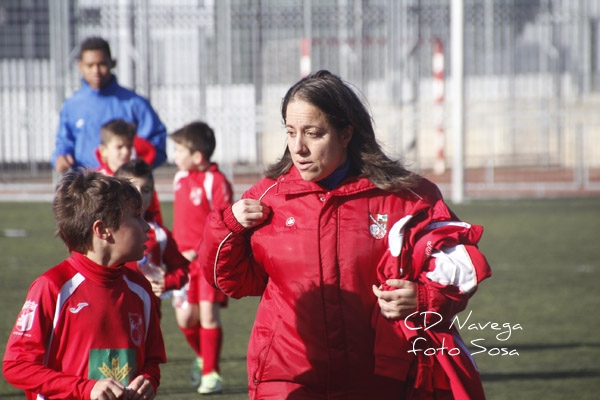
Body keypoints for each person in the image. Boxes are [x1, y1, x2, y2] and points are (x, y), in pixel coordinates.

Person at [197, 70, 492, 400]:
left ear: (346, 133)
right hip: (287, 377)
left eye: (313, 133)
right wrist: (227, 227)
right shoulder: (267, 198)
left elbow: (458, 269)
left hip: (377, 378)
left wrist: (422, 299)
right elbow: (232, 281)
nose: (298, 147)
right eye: (290, 132)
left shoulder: (408, 197)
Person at [2, 170, 166, 400]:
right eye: (136, 216)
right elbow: (17, 366)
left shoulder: (140, 289)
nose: (146, 227)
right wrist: (86, 388)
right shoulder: (54, 287)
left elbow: (152, 360)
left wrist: (148, 380)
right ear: (102, 230)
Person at [169, 121, 234, 395]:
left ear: (197, 156)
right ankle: (202, 357)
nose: (174, 155)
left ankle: (211, 373)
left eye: (179, 150)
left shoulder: (216, 181)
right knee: (185, 320)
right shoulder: (179, 178)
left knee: (208, 315)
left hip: (207, 262)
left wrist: (200, 249)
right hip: (181, 264)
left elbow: (223, 223)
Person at [51, 36, 167, 173]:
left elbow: (156, 145)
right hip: (85, 185)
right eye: (90, 65)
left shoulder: (134, 103)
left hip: (123, 186)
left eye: (102, 64)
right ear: (80, 66)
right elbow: (64, 141)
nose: (96, 71)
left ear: (112, 63)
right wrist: (60, 157)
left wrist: (133, 167)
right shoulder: (72, 105)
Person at [115, 159, 190, 314]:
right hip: (113, 313)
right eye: (133, 188)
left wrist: (166, 282)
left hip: (148, 320)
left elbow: (182, 269)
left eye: (146, 189)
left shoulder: (160, 234)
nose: (140, 195)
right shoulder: (105, 230)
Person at [96, 118, 164, 225]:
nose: (126, 152)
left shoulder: (141, 179)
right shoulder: (97, 181)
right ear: (103, 151)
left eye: (129, 146)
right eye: (119, 147)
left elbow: (153, 214)